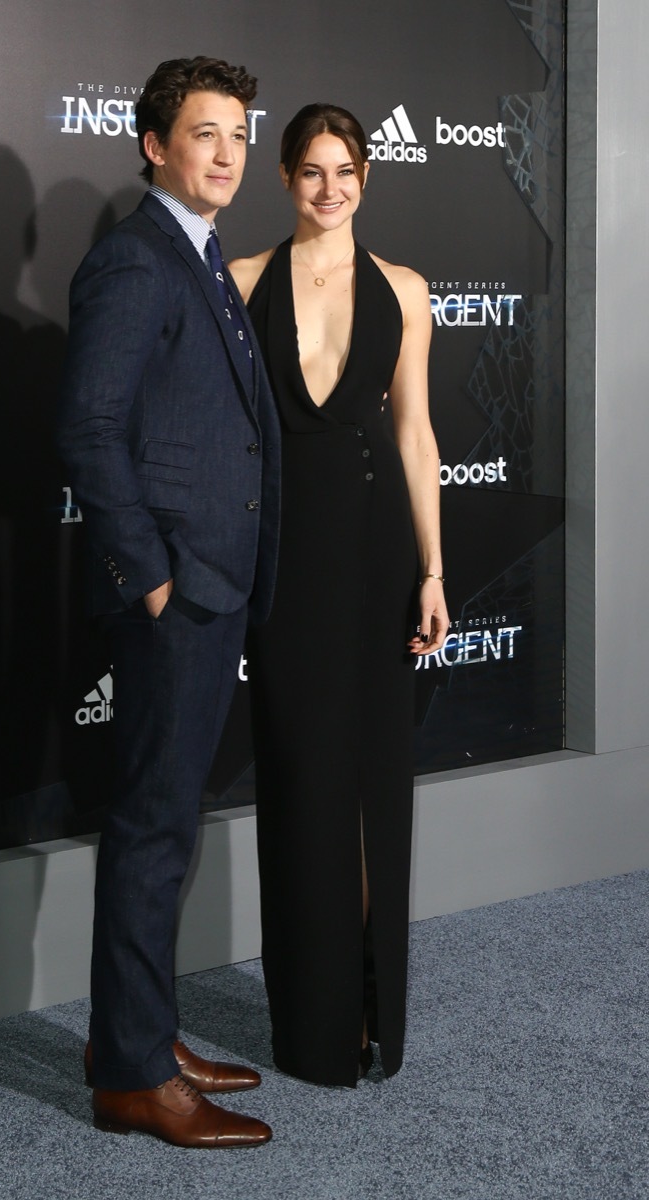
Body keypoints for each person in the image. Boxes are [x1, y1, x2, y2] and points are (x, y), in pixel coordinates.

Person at [57, 56, 280, 1146]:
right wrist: (149, 576)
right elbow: (89, 432)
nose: (229, 153)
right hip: (175, 596)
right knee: (152, 827)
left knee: (165, 824)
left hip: (212, 587)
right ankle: (134, 1080)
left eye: (239, 134)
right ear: (153, 144)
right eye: (205, 133)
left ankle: (134, 1034)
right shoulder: (135, 262)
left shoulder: (199, 257)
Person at [230, 103, 449, 1088]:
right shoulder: (238, 284)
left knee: (371, 790)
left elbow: (414, 434)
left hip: (375, 557)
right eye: (311, 171)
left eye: (346, 169)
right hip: (282, 562)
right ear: (283, 177)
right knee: (299, 786)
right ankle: (309, 1027)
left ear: (367, 175)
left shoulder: (405, 289)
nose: (330, 188)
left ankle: (370, 1012)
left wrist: (434, 570)